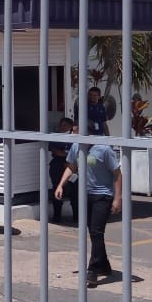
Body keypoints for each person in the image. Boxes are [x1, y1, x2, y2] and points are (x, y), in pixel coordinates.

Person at [54, 123, 121, 287]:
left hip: (103, 195)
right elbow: (71, 166)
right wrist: (61, 184)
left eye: (75, 131)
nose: (72, 133)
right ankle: (104, 265)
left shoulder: (104, 149)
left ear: (87, 132)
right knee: (92, 231)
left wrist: (117, 198)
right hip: (85, 194)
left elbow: (117, 174)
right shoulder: (76, 146)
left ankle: (92, 270)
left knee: (97, 231)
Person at [48, 117, 78, 223]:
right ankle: (57, 216)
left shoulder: (74, 137)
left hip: (72, 165)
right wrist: (68, 155)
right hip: (58, 164)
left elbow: (77, 152)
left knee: (75, 191)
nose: (62, 127)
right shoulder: (56, 136)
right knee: (57, 188)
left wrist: (68, 157)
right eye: (61, 125)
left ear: (71, 126)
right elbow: (55, 151)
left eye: (65, 125)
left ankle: (76, 216)